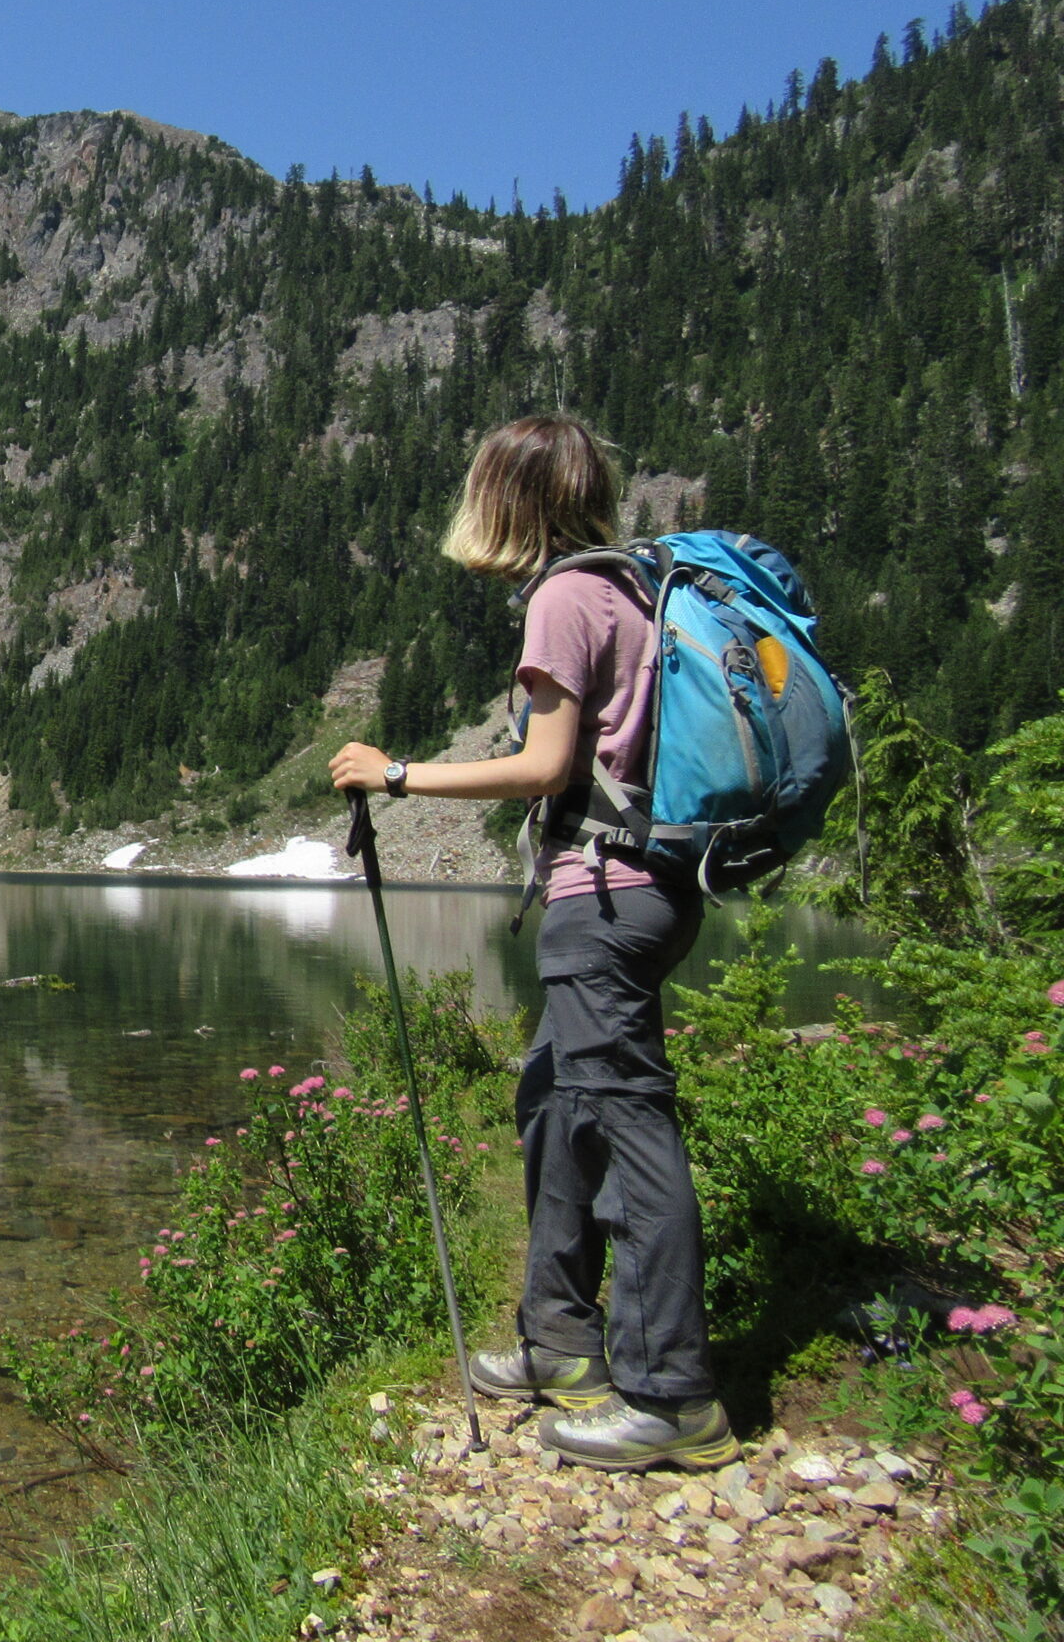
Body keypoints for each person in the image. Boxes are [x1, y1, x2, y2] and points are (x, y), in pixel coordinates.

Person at [327, 412, 739, 1473]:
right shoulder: (631, 587)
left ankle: (670, 1394)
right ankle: (559, 1340)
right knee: (555, 1103)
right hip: (650, 887)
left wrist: (400, 776)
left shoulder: (562, 598)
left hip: (599, 899)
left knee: (629, 1125)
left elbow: (549, 768)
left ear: (506, 499)